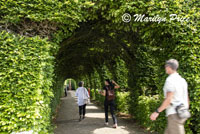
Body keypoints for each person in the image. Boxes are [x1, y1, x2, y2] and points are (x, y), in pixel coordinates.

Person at [150, 59, 190, 134]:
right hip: (182, 112)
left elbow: (169, 99)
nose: (165, 68)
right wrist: (185, 109)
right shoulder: (182, 80)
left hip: (174, 114)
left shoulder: (170, 80)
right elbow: (187, 98)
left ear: (168, 67)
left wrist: (157, 112)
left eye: (165, 66)